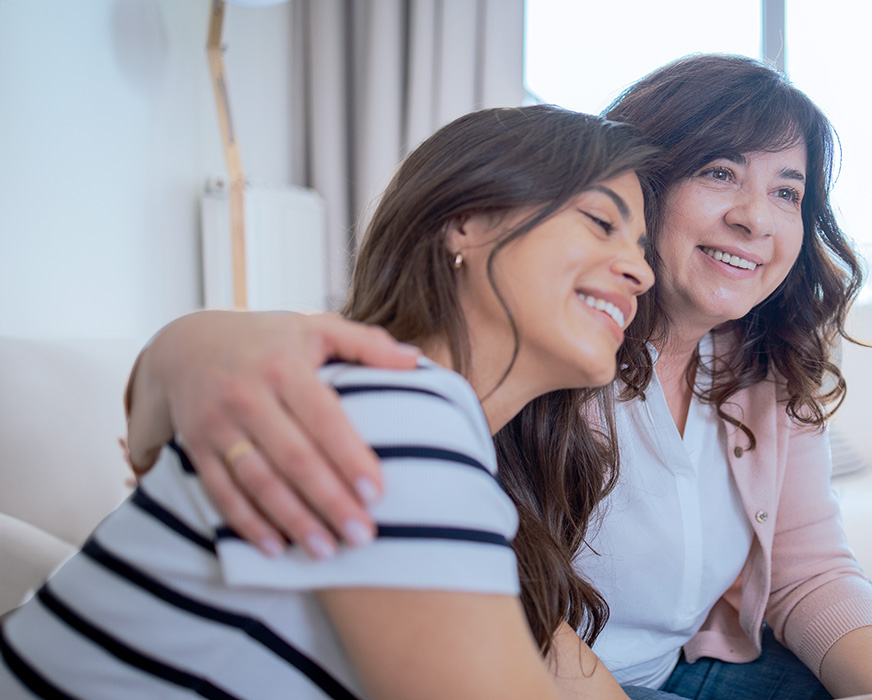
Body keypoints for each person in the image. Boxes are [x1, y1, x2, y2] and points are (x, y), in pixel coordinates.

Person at [116, 56, 872, 700]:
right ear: (643, 182)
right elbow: (330, 354)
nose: (758, 217)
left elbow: (811, 569)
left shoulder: (744, 362)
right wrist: (191, 349)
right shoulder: (524, 365)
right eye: (720, 173)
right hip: (566, 666)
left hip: (685, 663)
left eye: (787, 192)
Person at [2, 105, 659, 698]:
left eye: (639, 247)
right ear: (465, 222)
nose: (641, 271)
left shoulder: (436, 434)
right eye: (602, 222)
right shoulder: (390, 410)